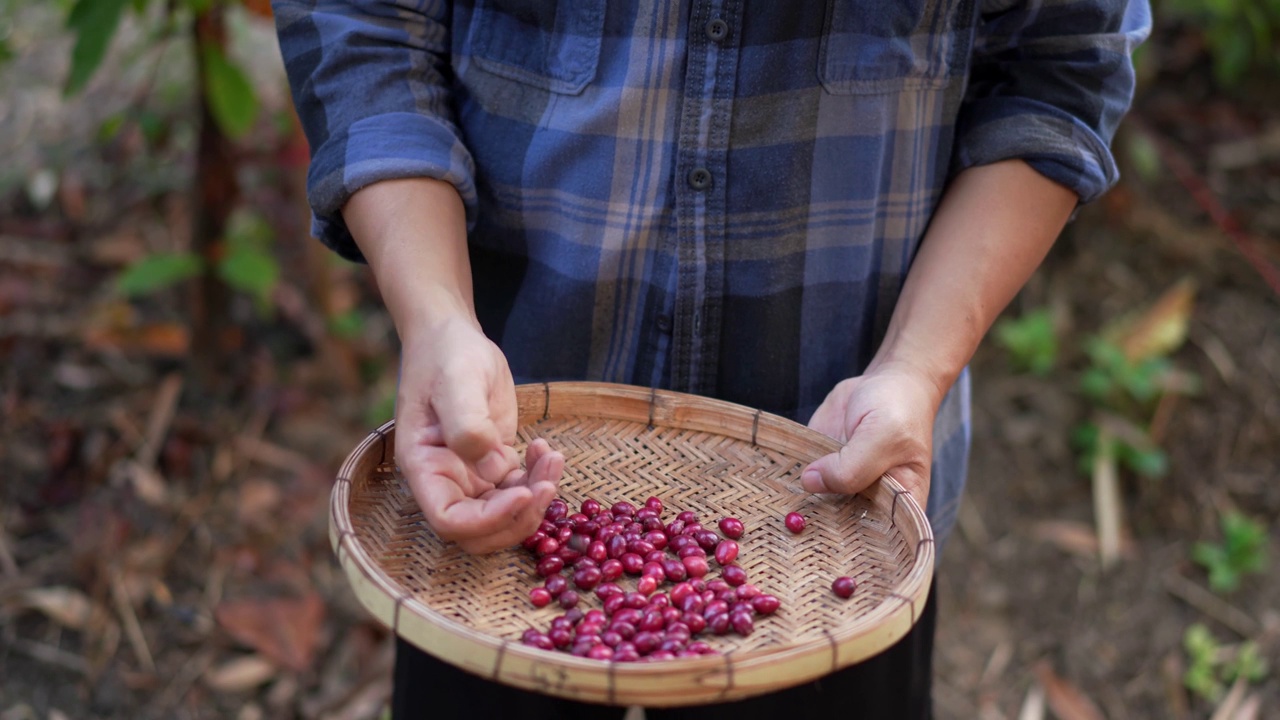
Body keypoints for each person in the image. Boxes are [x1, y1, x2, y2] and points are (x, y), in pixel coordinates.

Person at [272, 1, 1150, 717]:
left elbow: (1060, 65)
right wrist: (436, 317)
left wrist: (915, 367)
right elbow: (366, 24)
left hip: (836, 520)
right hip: (497, 501)